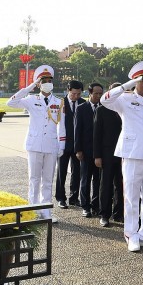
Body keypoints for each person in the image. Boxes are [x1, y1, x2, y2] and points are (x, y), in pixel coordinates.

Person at [100, 61, 143, 252]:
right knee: (131, 196)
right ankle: (131, 234)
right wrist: (127, 85)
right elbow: (105, 100)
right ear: (135, 81)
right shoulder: (124, 98)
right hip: (132, 152)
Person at [7, 65, 65, 223]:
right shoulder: (31, 100)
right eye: (43, 80)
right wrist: (30, 87)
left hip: (51, 145)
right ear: (38, 83)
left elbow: (62, 125)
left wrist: (62, 145)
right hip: (34, 144)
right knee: (34, 179)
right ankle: (32, 210)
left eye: (49, 80)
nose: (47, 83)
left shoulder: (59, 102)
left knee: (47, 180)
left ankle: (46, 211)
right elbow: (11, 103)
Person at [94, 82, 124, 228]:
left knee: (121, 184)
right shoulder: (102, 110)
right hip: (106, 153)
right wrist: (97, 156)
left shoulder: (127, 109)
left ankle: (119, 213)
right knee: (105, 185)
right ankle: (104, 214)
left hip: (124, 153)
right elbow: (96, 135)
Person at [56, 80, 84, 209]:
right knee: (61, 171)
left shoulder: (83, 103)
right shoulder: (60, 103)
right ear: (68, 90)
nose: (76, 96)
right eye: (74, 93)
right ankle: (61, 198)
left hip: (78, 145)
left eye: (78, 94)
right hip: (63, 143)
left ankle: (74, 197)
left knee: (77, 172)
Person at [74, 82, 101, 218]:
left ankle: (96, 205)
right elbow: (77, 130)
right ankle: (85, 206)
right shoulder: (81, 108)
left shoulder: (104, 107)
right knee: (85, 179)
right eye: (95, 93)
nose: (98, 96)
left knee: (98, 180)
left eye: (100, 93)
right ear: (89, 93)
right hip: (85, 151)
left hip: (100, 152)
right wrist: (78, 149)